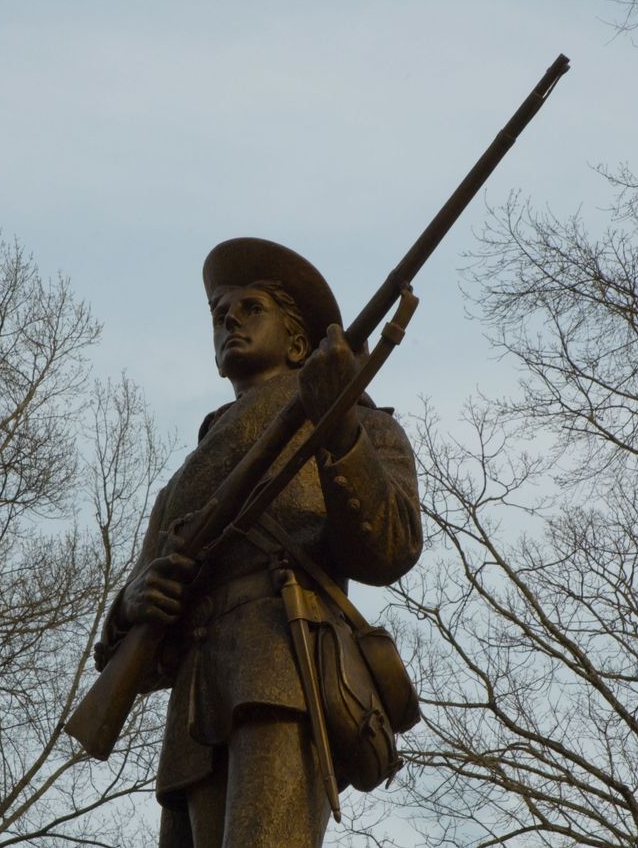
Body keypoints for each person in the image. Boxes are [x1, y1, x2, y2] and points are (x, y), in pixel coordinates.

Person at [93, 237, 421, 847]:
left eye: (250, 308)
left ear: (299, 342)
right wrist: (133, 603)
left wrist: (340, 430)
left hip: (279, 671)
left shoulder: (365, 424)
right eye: (220, 312)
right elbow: (128, 644)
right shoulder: (183, 482)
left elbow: (391, 547)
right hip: (194, 710)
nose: (228, 320)